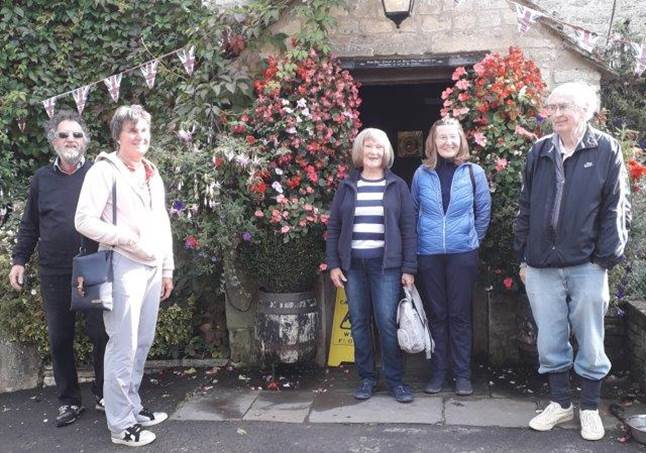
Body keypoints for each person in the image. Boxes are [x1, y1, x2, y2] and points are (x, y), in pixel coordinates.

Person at [513, 82, 630, 441]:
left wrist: (604, 259)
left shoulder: (606, 148)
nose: (557, 113)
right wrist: (523, 257)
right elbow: (526, 206)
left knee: (591, 338)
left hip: (587, 264)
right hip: (541, 264)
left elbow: (616, 207)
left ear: (585, 110)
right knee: (550, 336)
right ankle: (561, 404)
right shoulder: (539, 151)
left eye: (565, 106)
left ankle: (591, 408)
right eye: (552, 106)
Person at [75, 105, 174, 447]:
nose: (141, 136)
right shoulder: (104, 171)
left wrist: (166, 267)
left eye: (145, 130)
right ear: (118, 135)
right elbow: (84, 220)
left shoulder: (150, 172)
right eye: (133, 131)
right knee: (123, 344)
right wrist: (127, 238)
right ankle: (120, 425)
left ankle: (131, 406)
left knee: (142, 341)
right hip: (121, 263)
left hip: (149, 266)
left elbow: (162, 222)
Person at [9, 110, 108, 427]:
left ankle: (106, 393)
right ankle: (69, 401)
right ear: (53, 140)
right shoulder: (41, 179)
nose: (71, 140)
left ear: (85, 142)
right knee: (60, 338)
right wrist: (19, 260)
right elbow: (30, 225)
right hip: (53, 269)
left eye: (77, 134)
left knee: (102, 334)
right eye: (64, 134)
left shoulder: (98, 174)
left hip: (93, 266)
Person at [326, 128, 417, 403]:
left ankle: (395, 380)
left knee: (387, 323)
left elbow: (408, 229)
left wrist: (409, 268)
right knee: (359, 325)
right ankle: (366, 377)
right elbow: (334, 227)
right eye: (368, 147)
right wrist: (333, 264)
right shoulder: (346, 186)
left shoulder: (398, 186)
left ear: (386, 152)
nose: (374, 152)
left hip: (386, 266)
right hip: (353, 265)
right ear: (360, 151)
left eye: (379, 147)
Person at [411, 117, 491, 396]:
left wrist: (472, 240)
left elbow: (483, 213)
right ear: (433, 142)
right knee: (437, 314)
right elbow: (413, 211)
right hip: (429, 254)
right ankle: (438, 372)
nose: (448, 142)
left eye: (453, 137)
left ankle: (462, 375)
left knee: (459, 315)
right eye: (442, 138)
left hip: (462, 255)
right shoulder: (421, 173)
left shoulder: (473, 172)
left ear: (461, 141)